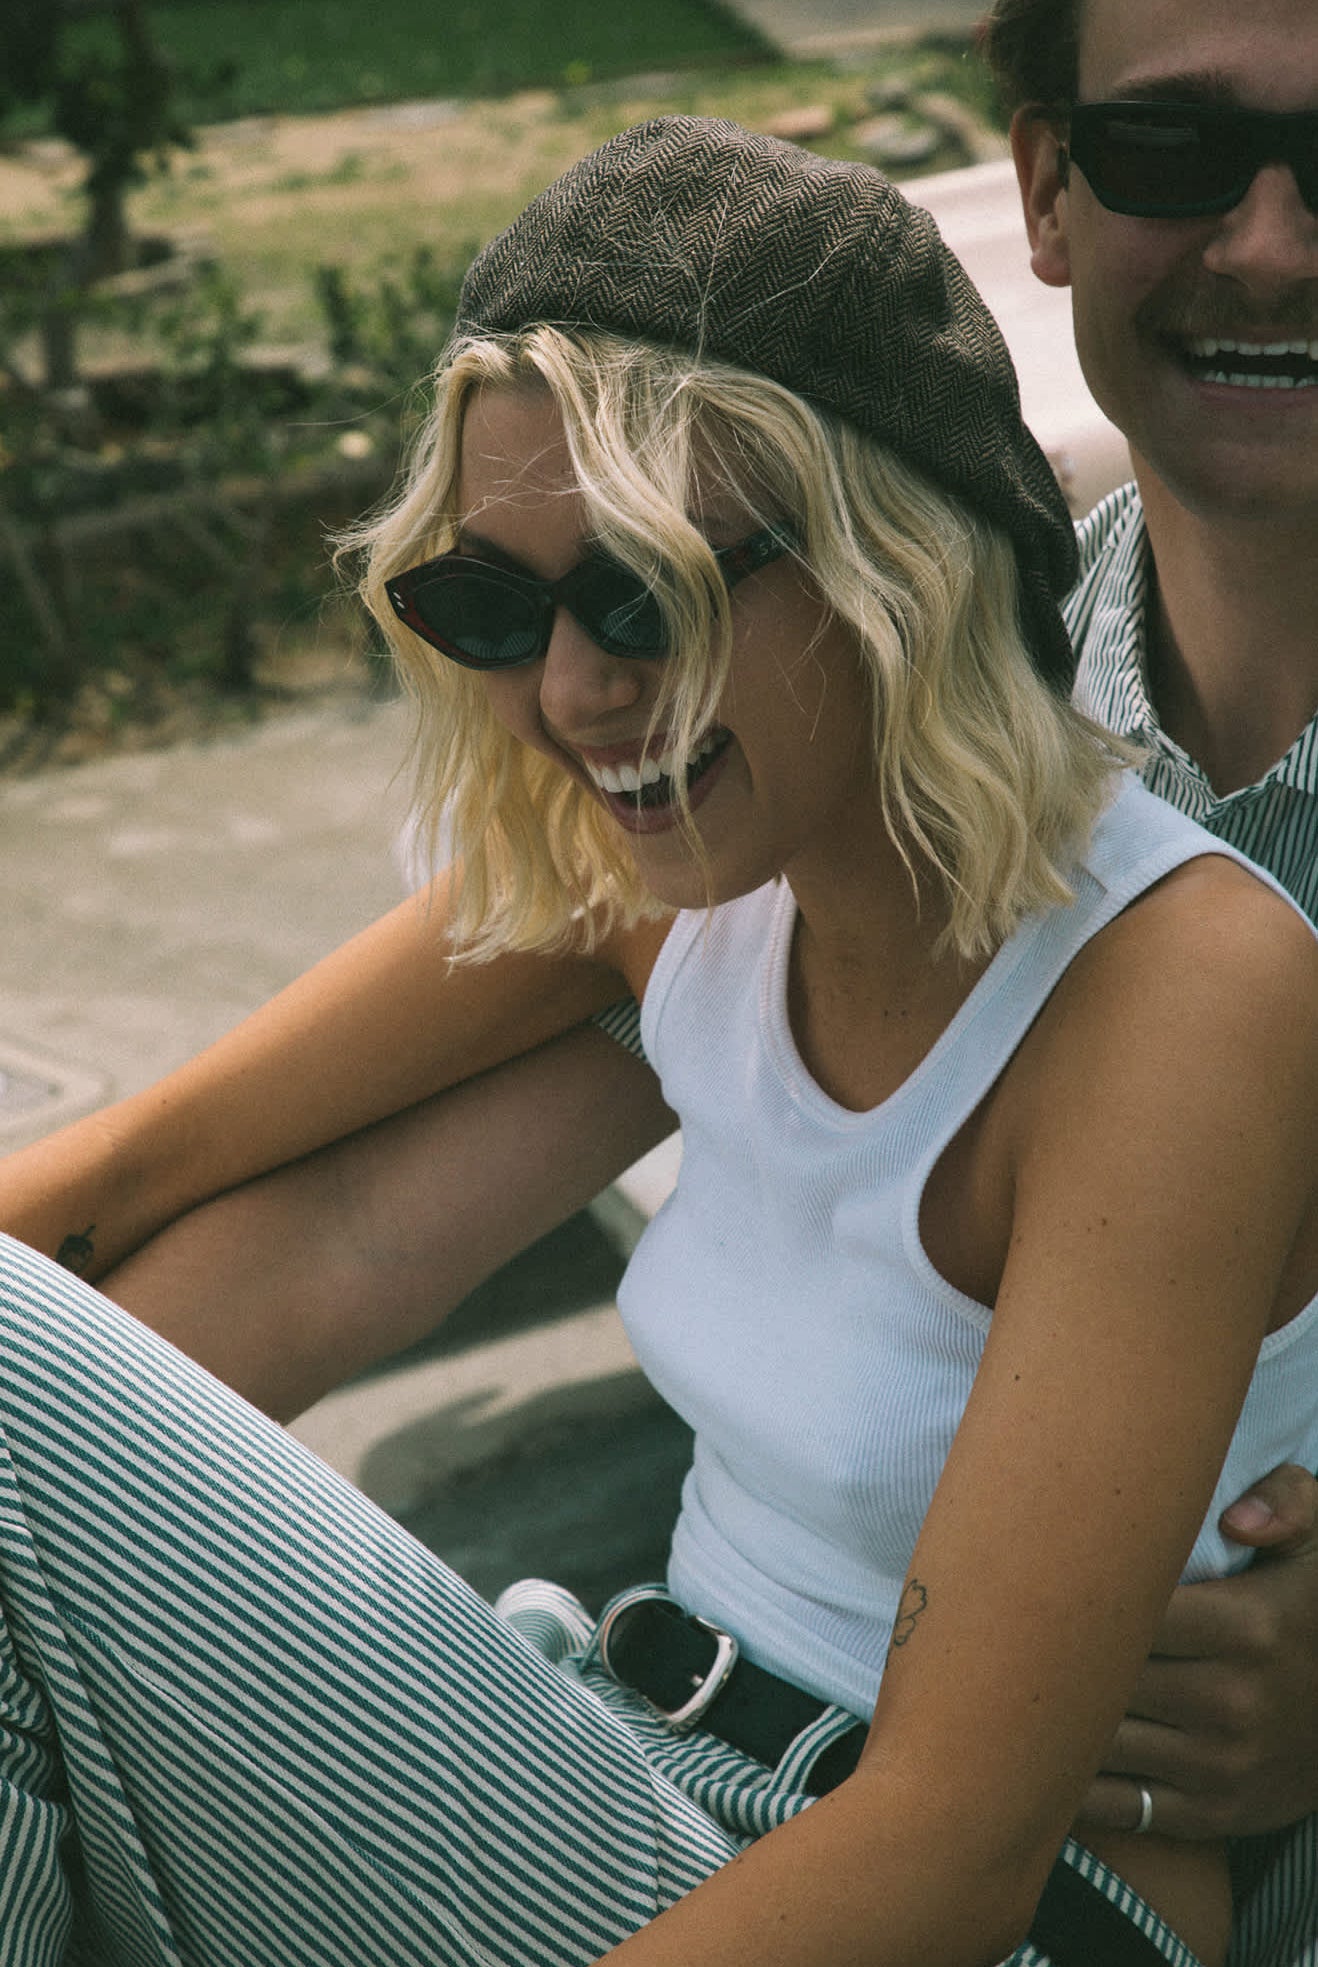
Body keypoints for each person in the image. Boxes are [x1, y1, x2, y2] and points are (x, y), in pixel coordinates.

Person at [25, 0, 1313, 1926]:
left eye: (648, 594)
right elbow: (287, 1234)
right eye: (483, 602)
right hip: (651, 1750)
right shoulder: (751, 839)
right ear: (1042, 184)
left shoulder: (1173, 971)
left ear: (890, 572)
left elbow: (950, 1845)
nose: (567, 685)